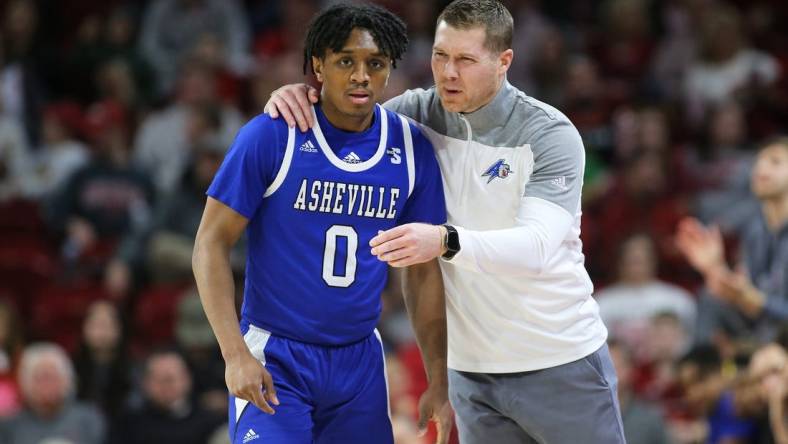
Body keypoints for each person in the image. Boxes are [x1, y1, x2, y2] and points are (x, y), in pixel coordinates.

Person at [265, 1, 625, 442]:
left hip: (558, 359)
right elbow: (340, 124)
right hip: (471, 372)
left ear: (503, 61)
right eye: (440, 56)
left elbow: (535, 249)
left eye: (466, 60)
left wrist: (442, 241)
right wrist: (298, 96)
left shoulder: (549, 134)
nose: (448, 73)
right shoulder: (412, 116)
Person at [193, 3, 451, 444]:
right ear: (318, 65)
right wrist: (234, 353)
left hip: (360, 363)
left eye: (375, 63)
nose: (360, 76)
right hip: (278, 355)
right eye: (345, 61)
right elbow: (210, 244)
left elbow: (422, 271)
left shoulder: (411, 149)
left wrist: (438, 379)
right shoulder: (273, 134)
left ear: (390, 70)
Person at [676, 137, 788, 343]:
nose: (761, 168)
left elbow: (757, 301)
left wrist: (753, 300)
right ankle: (704, 368)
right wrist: (715, 269)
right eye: (758, 162)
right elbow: (749, 299)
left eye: (775, 161)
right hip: (766, 333)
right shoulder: (756, 230)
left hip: (779, 333)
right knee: (709, 299)